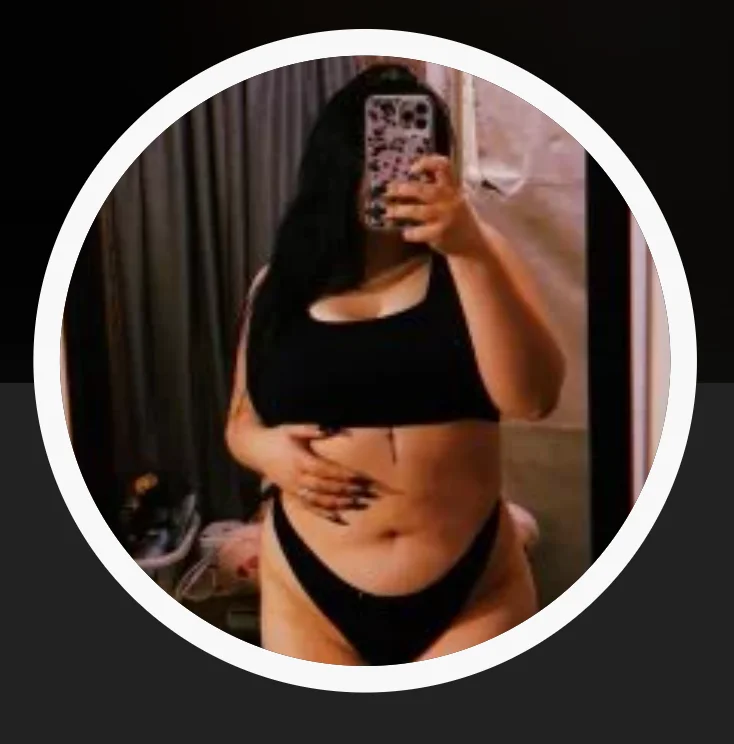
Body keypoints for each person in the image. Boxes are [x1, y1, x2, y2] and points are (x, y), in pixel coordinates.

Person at [225, 64, 565, 665]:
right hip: (309, 592)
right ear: (337, 164)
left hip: (473, 591)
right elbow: (240, 423)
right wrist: (269, 453)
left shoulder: (479, 255)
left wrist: (467, 248)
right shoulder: (277, 285)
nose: (396, 170)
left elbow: (532, 398)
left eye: (418, 150)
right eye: (377, 152)